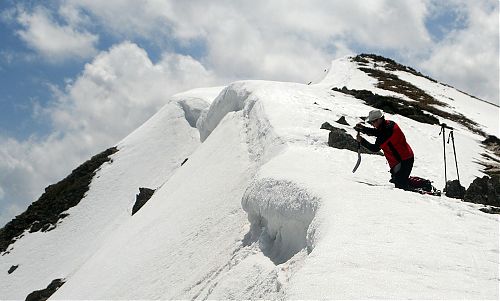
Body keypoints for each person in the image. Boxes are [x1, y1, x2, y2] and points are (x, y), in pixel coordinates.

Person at [355, 109, 414, 190]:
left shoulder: (386, 131)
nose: (372, 124)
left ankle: (423, 186)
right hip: (403, 157)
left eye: (373, 122)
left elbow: (375, 148)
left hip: (403, 160)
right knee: (399, 181)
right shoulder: (389, 124)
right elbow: (378, 132)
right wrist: (363, 129)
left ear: (379, 120)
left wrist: (361, 141)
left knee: (400, 186)